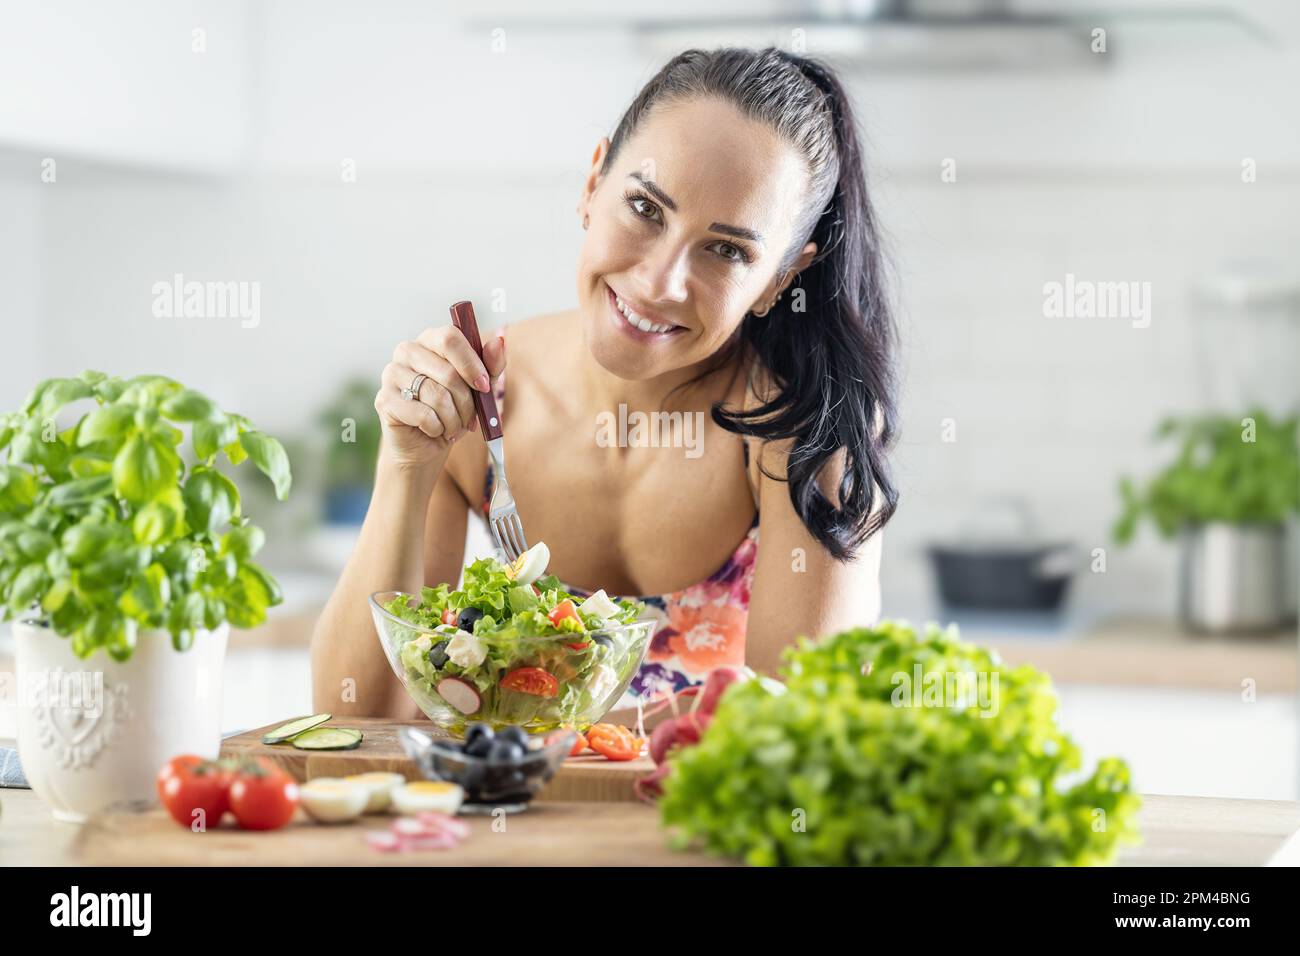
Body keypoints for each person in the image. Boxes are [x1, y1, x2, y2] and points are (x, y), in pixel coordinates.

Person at [311, 47, 900, 720]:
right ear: (594, 183)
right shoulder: (481, 404)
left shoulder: (804, 429)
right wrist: (406, 463)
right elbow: (356, 723)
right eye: (646, 208)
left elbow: (800, 736)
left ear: (779, 280)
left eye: (728, 250)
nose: (658, 283)